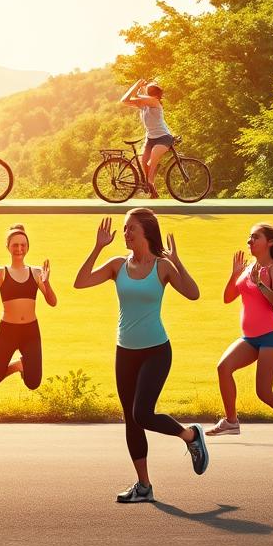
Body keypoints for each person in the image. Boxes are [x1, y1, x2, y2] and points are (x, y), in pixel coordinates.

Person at [74, 211, 207, 504]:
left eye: (130, 228)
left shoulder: (162, 267)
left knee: (142, 413)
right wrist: (98, 247)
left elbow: (193, 293)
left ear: (146, 230)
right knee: (131, 421)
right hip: (125, 352)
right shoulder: (117, 265)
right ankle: (144, 486)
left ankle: (190, 436)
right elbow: (80, 282)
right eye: (123, 229)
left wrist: (178, 261)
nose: (125, 234)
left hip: (156, 351)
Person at [206, 224, 273, 441]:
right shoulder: (249, 267)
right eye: (249, 237)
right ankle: (231, 421)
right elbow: (228, 297)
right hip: (249, 338)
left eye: (255, 237)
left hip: (271, 337)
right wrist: (234, 275)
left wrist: (260, 284)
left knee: (264, 392)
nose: (249, 241)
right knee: (224, 368)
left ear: (270, 243)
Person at [0, 224, 57, 389]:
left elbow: (52, 302)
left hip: (30, 331)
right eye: (15, 245)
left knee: (33, 383)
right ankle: (18, 366)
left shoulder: (36, 273)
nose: (19, 248)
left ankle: (22, 366)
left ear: (28, 247)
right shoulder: (0, 273)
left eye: (23, 245)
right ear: (8, 247)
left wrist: (47, 284)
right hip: (7, 331)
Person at [119, 79, 173, 198]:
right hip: (151, 138)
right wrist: (136, 85)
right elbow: (124, 100)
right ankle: (153, 190)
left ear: (152, 94)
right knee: (144, 162)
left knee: (154, 154)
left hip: (164, 137)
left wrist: (138, 87)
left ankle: (149, 181)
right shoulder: (144, 104)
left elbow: (137, 97)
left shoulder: (154, 101)